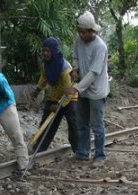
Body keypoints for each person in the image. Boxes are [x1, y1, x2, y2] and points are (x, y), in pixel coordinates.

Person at [65, 11, 109, 168]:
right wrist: (75, 69)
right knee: (82, 123)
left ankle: (100, 156)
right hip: (82, 90)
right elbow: (75, 56)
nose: (81, 35)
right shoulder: (78, 40)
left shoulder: (100, 47)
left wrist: (76, 88)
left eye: (84, 32)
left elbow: (94, 73)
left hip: (96, 91)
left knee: (97, 125)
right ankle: (83, 152)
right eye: (80, 32)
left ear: (92, 31)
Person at [32, 37, 78, 153]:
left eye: (48, 51)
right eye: (44, 50)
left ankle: (79, 151)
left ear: (54, 51)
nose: (45, 53)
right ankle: (39, 150)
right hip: (53, 97)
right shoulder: (46, 65)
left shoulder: (65, 69)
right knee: (46, 125)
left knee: (74, 126)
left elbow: (69, 90)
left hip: (69, 98)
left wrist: (59, 105)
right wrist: (38, 90)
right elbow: (44, 78)